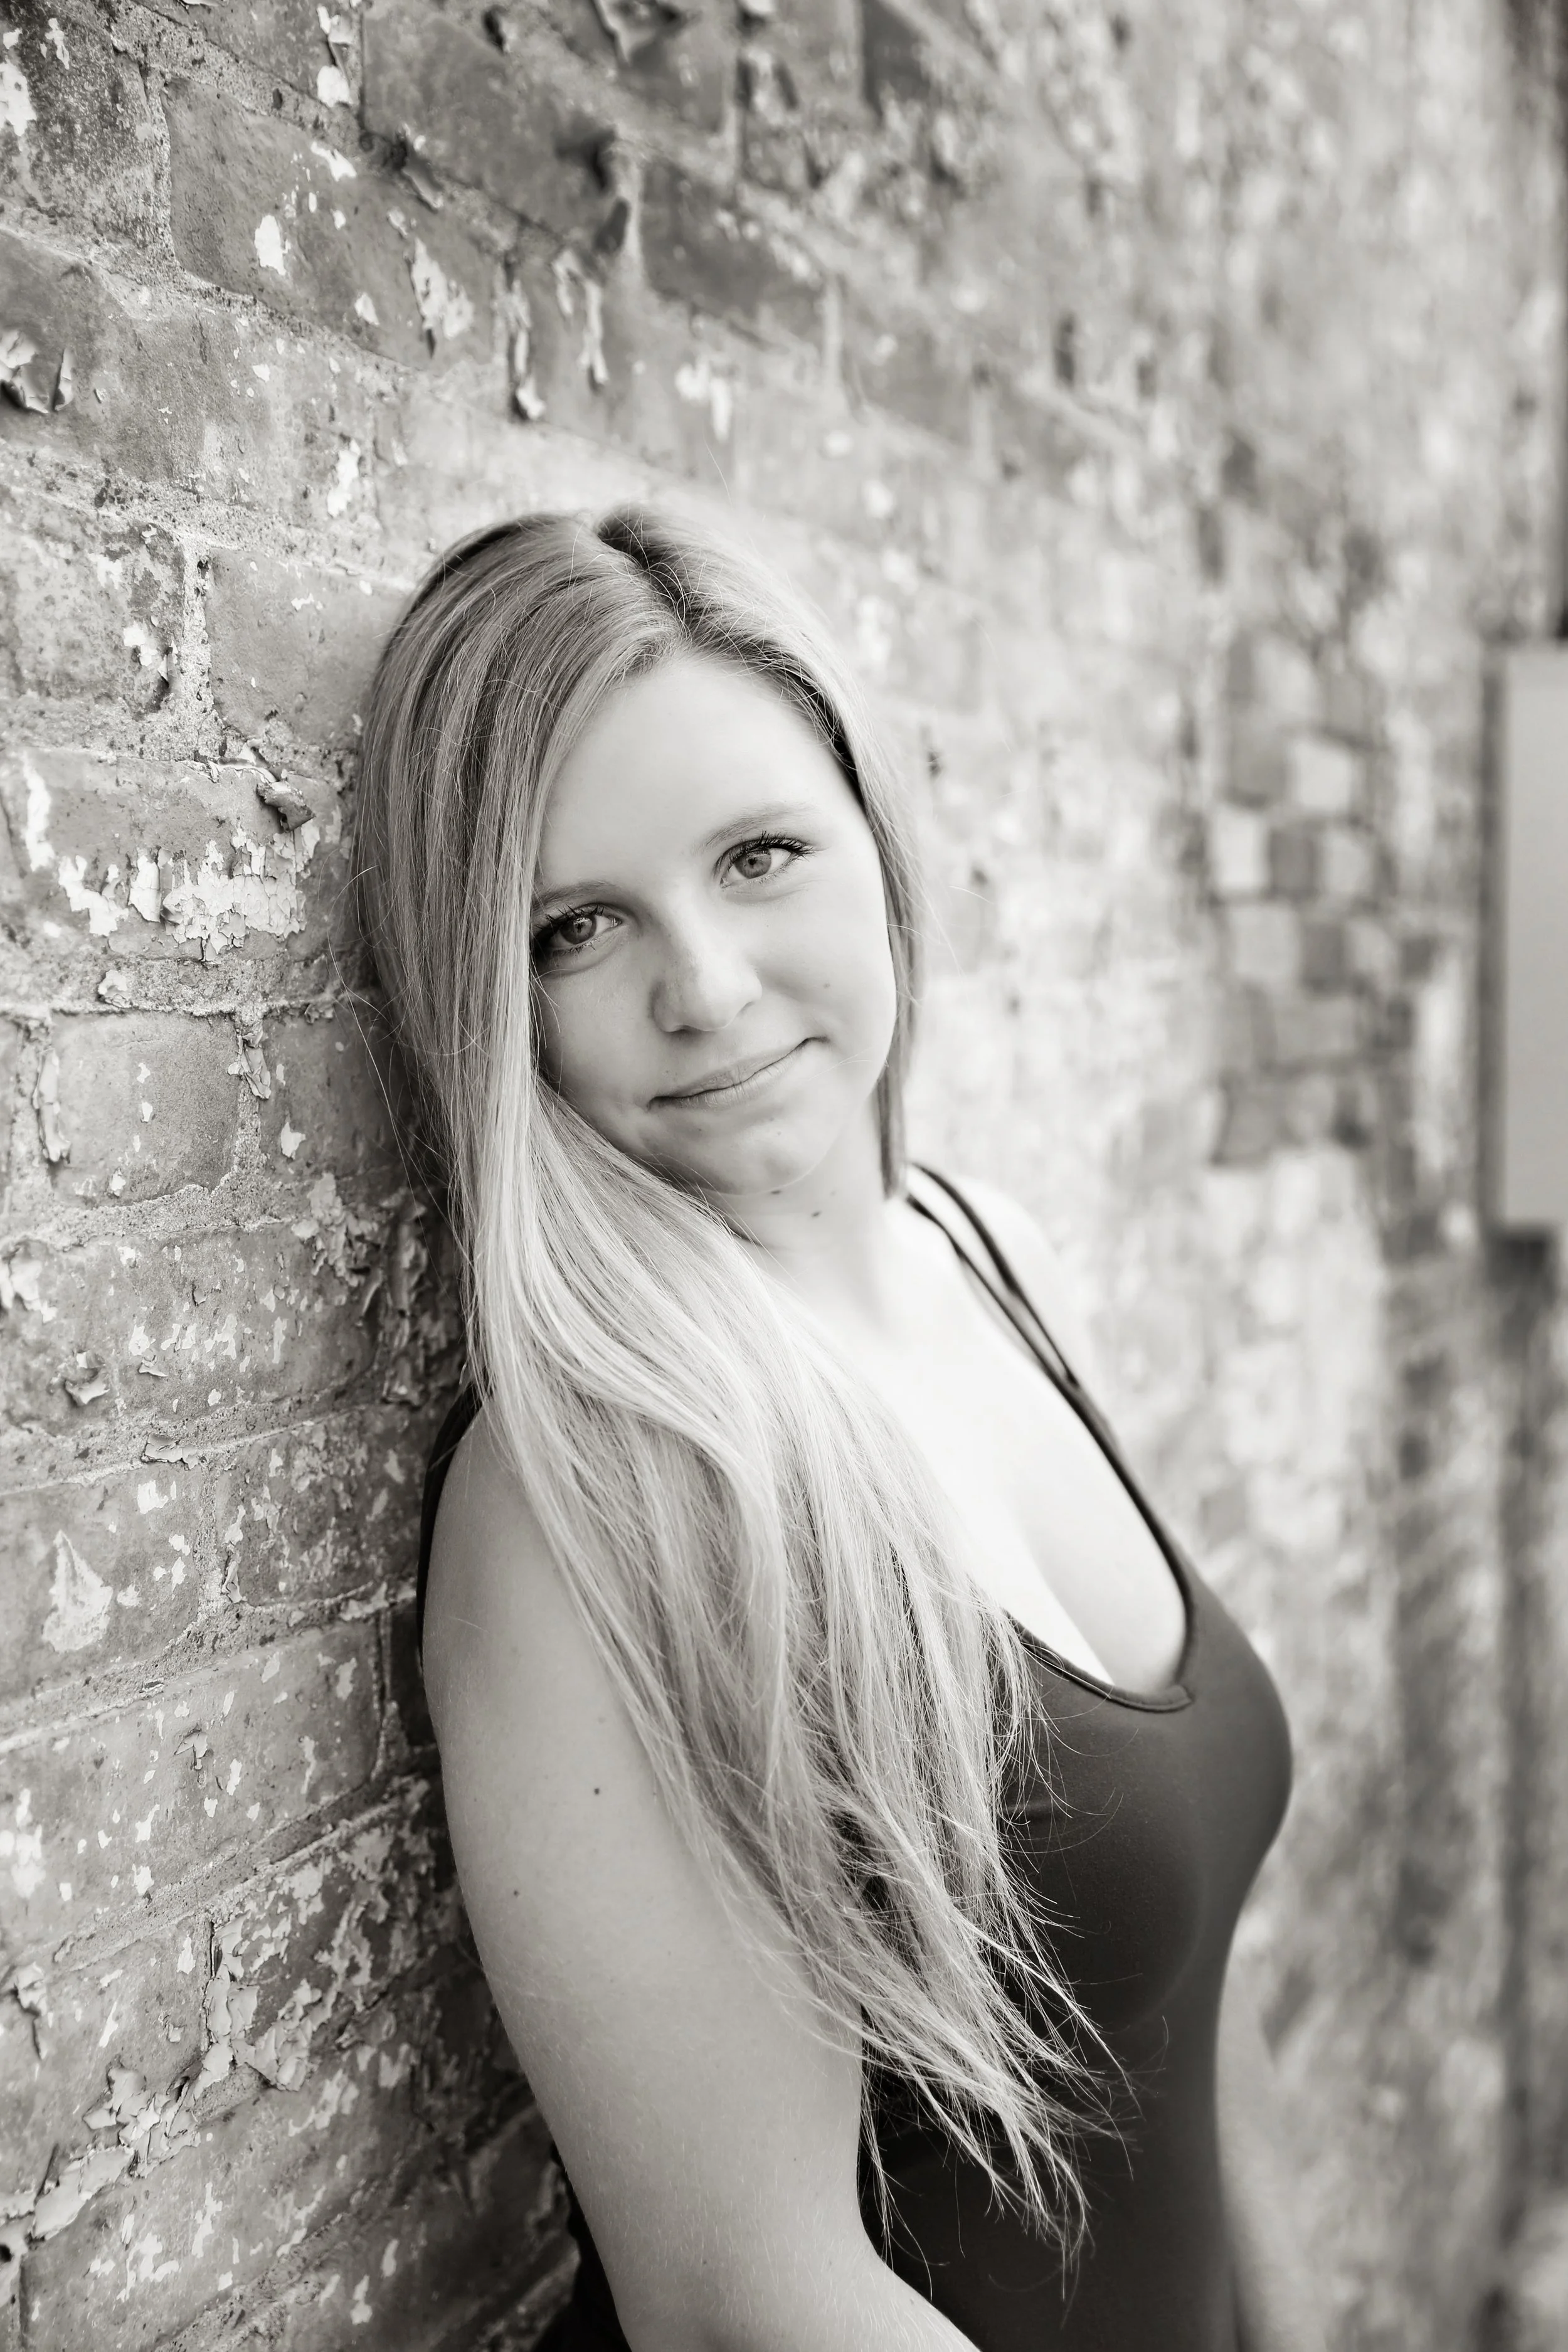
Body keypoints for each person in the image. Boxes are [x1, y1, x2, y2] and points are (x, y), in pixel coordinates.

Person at [352, 506, 1322, 2352]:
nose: (701, 987)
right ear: (497, 1004)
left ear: (878, 847)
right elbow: (742, 2298)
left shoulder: (989, 1254)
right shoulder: (587, 1494)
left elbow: (1192, 2000)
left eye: (759, 854)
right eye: (575, 927)